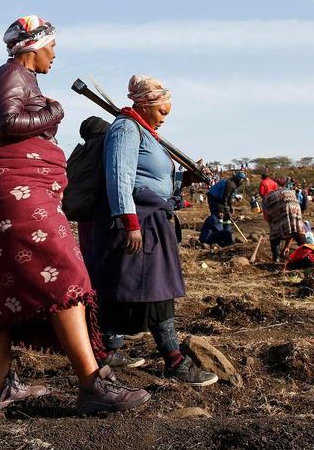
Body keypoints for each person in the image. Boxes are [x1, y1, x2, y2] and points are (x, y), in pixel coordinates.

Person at [0, 16, 151, 414]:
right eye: (52, 46)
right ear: (34, 46)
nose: (55, 54)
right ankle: (91, 383)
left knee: (2, 289)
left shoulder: (20, 78)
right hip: (14, 192)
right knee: (65, 272)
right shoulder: (10, 73)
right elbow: (8, 122)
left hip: (8, 191)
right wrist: (54, 111)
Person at [87, 75, 217, 387]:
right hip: (137, 221)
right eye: (162, 112)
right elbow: (119, 177)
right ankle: (174, 360)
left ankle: (108, 349)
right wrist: (129, 223)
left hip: (150, 219)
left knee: (129, 288)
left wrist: (184, 179)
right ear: (145, 105)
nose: (164, 119)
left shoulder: (145, 133)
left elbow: (152, 177)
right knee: (155, 291)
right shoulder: (126, 129)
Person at [263, 181, 307, 263]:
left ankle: (276, 259)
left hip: (278, 209)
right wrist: (287, 247)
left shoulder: (266, 197)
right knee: (296, 229)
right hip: (294, 208)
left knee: (274, 236)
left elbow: (266, 216)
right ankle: (308, 255)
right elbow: (291, 230)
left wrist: (286, 247)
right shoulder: (290, 191)